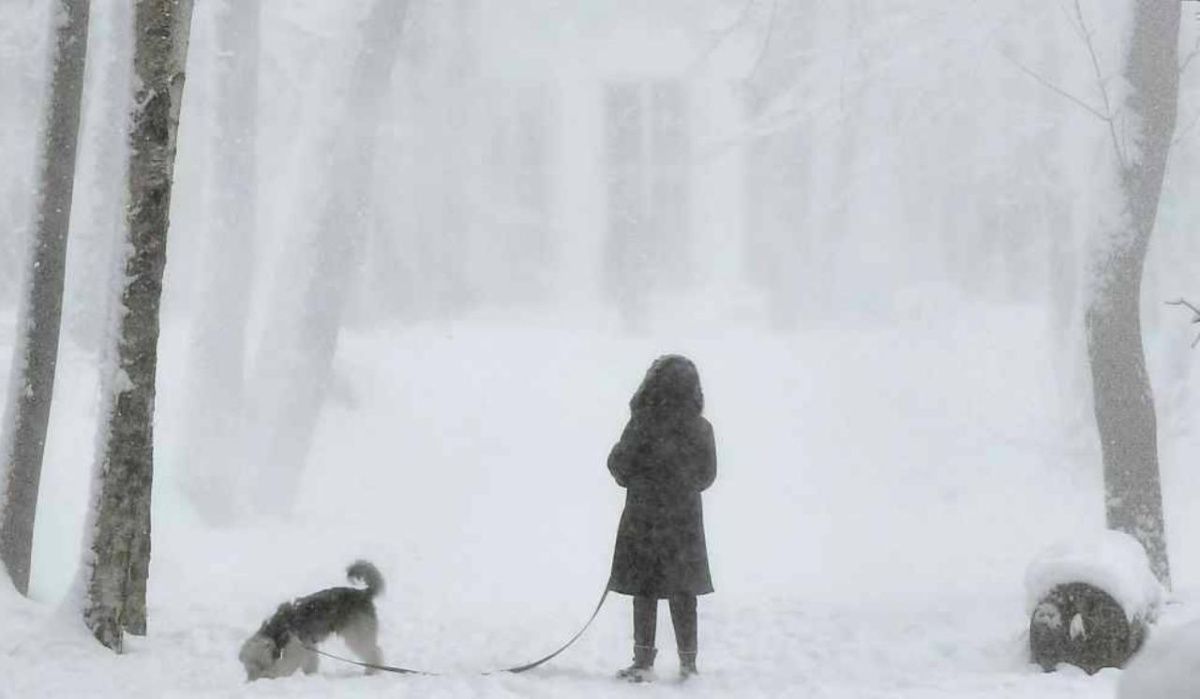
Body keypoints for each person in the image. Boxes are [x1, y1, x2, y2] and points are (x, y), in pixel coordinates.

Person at [607, 355, 717, 682]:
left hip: (643, 519)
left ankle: (642, 661)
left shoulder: (642, 423)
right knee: (684, 591)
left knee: (645, 589)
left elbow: (620, 467)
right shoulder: (701, 428)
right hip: (683, 522)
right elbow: (707, 476)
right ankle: (688, 664)